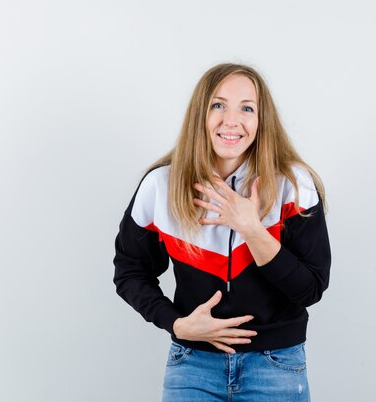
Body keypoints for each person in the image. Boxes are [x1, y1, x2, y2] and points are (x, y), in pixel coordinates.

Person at [112, 63, 331, 402]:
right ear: (201, 114)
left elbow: (310, 289)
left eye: (247, 108)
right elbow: (130, 271)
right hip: (192, 366)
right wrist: (176, 324)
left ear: (261, 120)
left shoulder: (294, 185)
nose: (232, 120)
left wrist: (250, 228)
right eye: (218, 105)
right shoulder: (160, 186)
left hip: (275, 367)